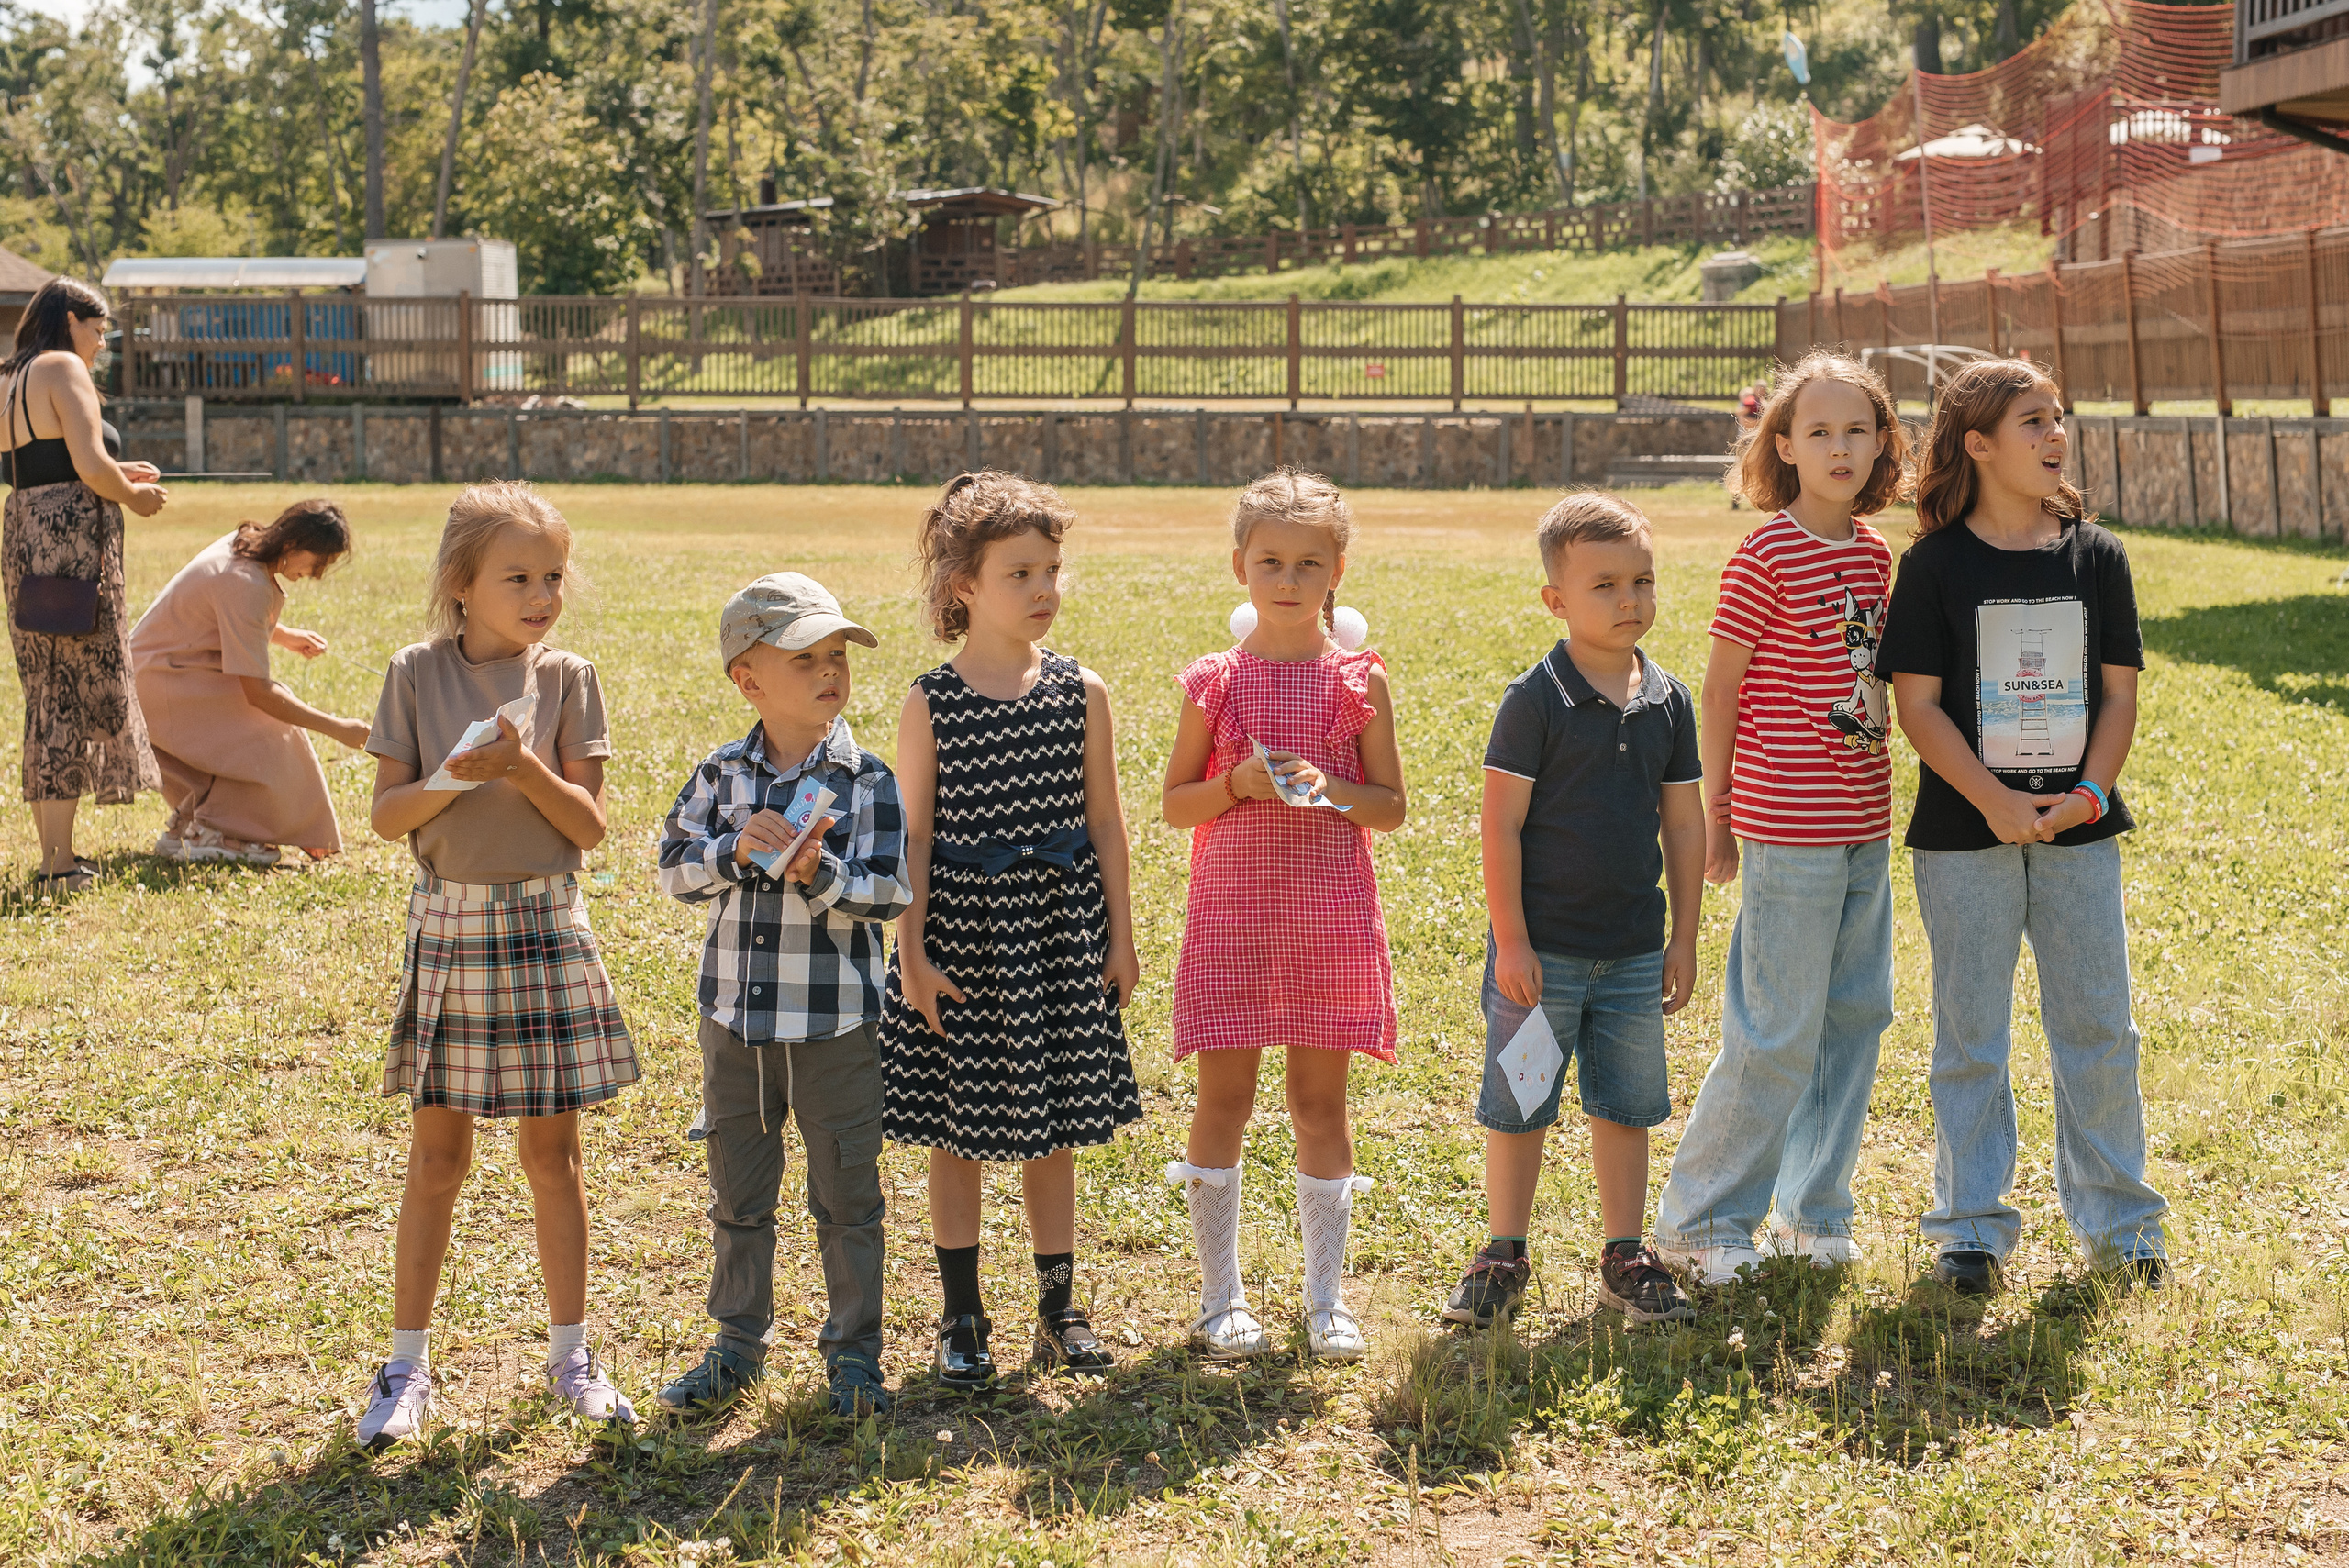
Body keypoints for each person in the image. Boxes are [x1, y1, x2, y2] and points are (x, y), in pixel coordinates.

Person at [1873, 358, 2167, 1296]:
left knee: (2099, 1024)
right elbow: (1916, 705)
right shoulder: (1931, 566)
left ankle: (2122, 1226)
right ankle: (1969, 1226)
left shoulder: (2097, 556)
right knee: (1970, 1034)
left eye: (2057, 416)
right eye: (2032, 420)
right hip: (1965, 836)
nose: (2055, 434)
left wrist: (2088, 794)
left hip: (2080, 829)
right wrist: (1992, 800)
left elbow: (2118, 696)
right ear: (1978, 445)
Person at [354, 482, 640, 1448]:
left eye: (552, 575)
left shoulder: (569, 678)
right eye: (517, 577)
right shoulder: (415, 672)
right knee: (437, 1158)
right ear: (461, 584)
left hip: (545, 922)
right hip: (451, 926)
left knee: (553, 1157)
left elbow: (589, 826)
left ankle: (572, 1359)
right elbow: (387, 815)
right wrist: (453, 774)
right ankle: (405, 1367)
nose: (541, 594)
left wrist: (522, 766)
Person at [1652, 353, 1908, 1286]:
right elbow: (1719, 692)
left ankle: (1813, 1211)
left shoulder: (1875, 555)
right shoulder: (1763, 554)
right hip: (1785, 824)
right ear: (1785, 446)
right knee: (1776, 1027)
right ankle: (1700, 1221)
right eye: (1819, 431)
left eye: (1857, 430)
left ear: (1880, 444)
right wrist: (1717, 814)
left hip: (1863, 819)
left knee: (1854, 1016)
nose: (1840, 447)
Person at [883, 473, 1143, 1390]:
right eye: (1019, 573)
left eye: (1052, 570)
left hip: (1058, 932)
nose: (1043, 589)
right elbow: (913, 836)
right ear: (964, 584)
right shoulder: (932, 700)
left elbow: (1106, 822)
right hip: (963, 935)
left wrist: (1121, 935)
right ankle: (962, 1316)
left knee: (1051, 1127)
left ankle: (1059, 1306)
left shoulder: (1081, 689)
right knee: (957, 1130)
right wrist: (912, 954)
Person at [1441, 492, 1704, 1329]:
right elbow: (1501, 826)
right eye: (1605, 585)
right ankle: (1503, 1252)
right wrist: (1512, 940)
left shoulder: (1669, 700)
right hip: (1542, 956)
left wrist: (1684, 936)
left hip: (1632, 952)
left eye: (1642, 581)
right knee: (1521, 1103)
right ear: (1556, 600)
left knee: (1625, 1105)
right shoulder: (1536, 699)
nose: (1629, 600)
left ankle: (1625, 1254)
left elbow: (1684, 824)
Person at [1162, 469, 1407, 1363]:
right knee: (1223, 1098)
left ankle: (1326, 1299)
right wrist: (1235, 782)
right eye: (1270, 561)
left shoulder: (1357, 681)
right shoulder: (1215, 682)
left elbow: (1389, 805)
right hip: (1232, 920)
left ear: (1337, 570)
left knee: (1318, 1102)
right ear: (1240, 566)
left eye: (1309, 563)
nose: (1289, 579)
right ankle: (1219, 1297)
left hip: (1327, 919)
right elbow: (1175, 803)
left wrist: (1327, 786)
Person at [653, 572, 910, 1418]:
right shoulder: (721, 775)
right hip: (735, 1023)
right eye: (805, 658)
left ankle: (855, 1356)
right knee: (738, 1193)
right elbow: (672, 870)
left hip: (835, 1027)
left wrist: (821, 871)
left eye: (838, 654)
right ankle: (736, 1344)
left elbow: (891, 893)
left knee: (848, 1198)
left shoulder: (866, 780)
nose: (830, 670)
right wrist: (732, 850)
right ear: (749, 679)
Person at [2, 276, 169, 894]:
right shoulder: (62, 367)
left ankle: (56, 856)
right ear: (70, 319)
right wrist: (133, 496)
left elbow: (42, 462)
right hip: (71, 542)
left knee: (46, 696)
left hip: (24, 534)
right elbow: (91, 467)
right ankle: (57, 866)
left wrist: (114, 473)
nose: (100, 345)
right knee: (70, 695)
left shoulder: (10, 376)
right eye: (98, 331)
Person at [130, 499, 373, 867]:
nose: (317, 574)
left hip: (157, 672)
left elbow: (225, 616)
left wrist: (285, 636)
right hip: (159, 683)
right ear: (292, 544)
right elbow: (259, 694)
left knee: (262, 720)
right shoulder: (246, 582)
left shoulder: (243, 544)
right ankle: (213, 831)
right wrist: (337, 728)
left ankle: (198, 824)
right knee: (271, 726)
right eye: (318, 561)